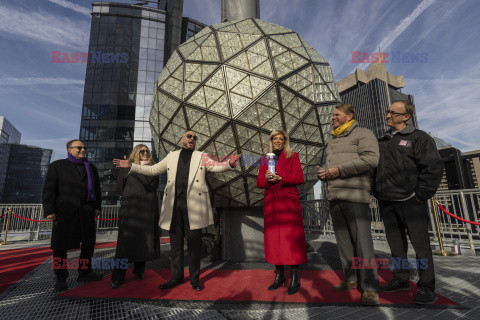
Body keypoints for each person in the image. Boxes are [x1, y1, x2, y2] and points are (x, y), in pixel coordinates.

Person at [113, 131, 241, 291]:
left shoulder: (202, 156)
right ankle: (176, 277)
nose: (192, 139)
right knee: (176, 246)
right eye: (189, 136)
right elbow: (153, 170)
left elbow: (216, 166)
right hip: (173, 207)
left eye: (195, 137)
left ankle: (195, 280)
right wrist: (132, 166)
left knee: (194, 246)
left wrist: (230, 163)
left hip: (194, 207)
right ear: (182, 139)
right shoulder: (171, 156)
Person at [373, 100, 444, 305]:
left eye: (393, 113)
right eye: (387, 111)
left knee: (421, 247)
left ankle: (427, 287)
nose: (388, 115)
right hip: (387, 202)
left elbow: (433, 168)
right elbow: (374, 170)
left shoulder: (419, 138)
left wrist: (420, 196)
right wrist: (375, 191)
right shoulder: (383, 140)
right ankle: (401, 279)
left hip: (412, 202)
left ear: (406, 117)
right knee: (396, 246)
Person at [317, 104, 380, 306]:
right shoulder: (334, 139)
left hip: (354, 195)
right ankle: (351, 279)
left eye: (337, 114)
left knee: (363, 243)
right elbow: (334, 167)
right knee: (344, 242)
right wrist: (325, 172)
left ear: (349, 116)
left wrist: (338, 170)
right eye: (333, 115)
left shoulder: (363, 133)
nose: (332, 117)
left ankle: (370, 288)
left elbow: (371, 159)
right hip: (335, 195)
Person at [42, 139, 102, 292]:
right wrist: (49, 210)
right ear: (69, 150)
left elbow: (97, 189)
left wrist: (97, 207)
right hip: (64, 212)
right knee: (60, 247)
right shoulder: (57, 166)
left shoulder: (91, 168)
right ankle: (60, 277)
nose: (83, 150)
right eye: (79, 148)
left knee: (88, 245)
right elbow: (49, 189)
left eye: (84, 148)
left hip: (86, 212)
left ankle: (84, 272)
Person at [256, 129, 307, 295]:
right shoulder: (265, 159)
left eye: (281, 139)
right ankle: (279, 275)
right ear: (271, 141)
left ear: (285, 141)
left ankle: (294, 276)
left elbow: (299, 178)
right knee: (274, 240)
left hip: (288, 203)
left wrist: (282, 179)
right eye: (275, 139)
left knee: (290, 240)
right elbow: (259, 183)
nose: (278, 141)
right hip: (272, 203)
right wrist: (266, 177)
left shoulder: (293, 156)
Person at [111, 144, 160, 288]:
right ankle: (118, 276)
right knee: (124, 244)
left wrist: (134, 167)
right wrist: (125, 168)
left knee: (144, 240)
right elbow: (119, 189)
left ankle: (139, 270)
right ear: (136, 153)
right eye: (142, 151)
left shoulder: (153, 169)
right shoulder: (126, 168)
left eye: (147, 151)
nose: (145, 153)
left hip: (147, 209)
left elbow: (152, 187)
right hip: (131, 210)